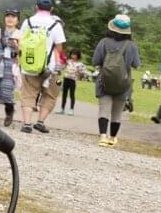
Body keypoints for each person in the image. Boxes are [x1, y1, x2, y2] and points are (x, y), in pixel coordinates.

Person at [17, 0, 66, 134]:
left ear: (36, 7)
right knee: (50, 94)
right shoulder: (56, 25)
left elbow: (20, 43)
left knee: (28, 94)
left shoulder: (28, 22)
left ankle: (26, 124)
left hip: (30, 65)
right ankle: (40, 122)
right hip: (50, 68)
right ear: (51, 9)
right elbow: (59, 48)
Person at [92, 15, 140, 146]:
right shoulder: (131, 46)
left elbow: (95, 61)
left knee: (104, 109)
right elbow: (136, 64)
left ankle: (102, 136)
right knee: (117, 112)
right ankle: (112, 138)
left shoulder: (103, 42)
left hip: (104, 81)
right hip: (123, 83)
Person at [58, 49, 84, 116]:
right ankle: (62, 108)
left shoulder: (80, 64)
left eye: (75, 54)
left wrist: (80, 73)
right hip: (66, 79)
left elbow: (81, 74)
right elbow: (63, 68)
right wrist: (62, 65)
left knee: (72, 95)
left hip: (72, 80)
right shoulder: (68, 61)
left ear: (78, 56)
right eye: (72, 54)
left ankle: (71, 109)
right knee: (64, 94)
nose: (73, 56)